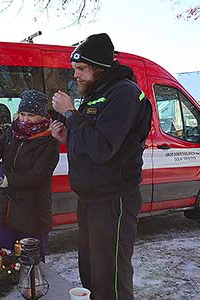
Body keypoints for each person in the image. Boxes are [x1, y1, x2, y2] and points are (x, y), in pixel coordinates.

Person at [50, 33, 152, 300]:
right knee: (91, 274)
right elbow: (89, 140)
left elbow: (103, 148)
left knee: (110, 277)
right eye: (75, 70)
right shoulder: (97, 94)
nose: (76, 76)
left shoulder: (124, 94)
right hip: (90, 199)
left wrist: (71, 114)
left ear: (99, 67)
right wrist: (68, 137)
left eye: (81, 69)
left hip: (113, 200)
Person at [0, 90, 60, 259]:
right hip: (7, 208)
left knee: (30, 262)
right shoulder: (13, 132)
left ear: (42, 116)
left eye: (30, 115)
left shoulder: (49, 141)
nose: (24, 119)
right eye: (22, 114)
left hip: (32, 211)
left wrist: (7, 180)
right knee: (6, 257)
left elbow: (38, 175)